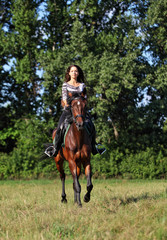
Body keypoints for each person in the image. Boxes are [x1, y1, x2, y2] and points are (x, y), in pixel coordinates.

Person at [44, 65, 105, 158]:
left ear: (78, 73)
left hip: (80, 111)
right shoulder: (65, 85)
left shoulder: (82, 85)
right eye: (72, 71)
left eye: (75, 71)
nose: (74, 73)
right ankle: (54, 148)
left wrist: (82, 106)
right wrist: (67, 105)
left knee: (91, 125)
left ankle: (94, 147)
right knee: (60, 127)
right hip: (68, 111)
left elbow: (85, 98)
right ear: (69, 73)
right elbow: (64, 98)